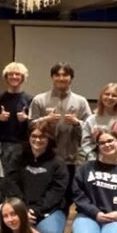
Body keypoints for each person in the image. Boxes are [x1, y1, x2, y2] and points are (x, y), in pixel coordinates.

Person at [6, 121, 68, 233]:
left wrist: (36, 210)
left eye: (42, 137)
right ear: (29, 138)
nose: (38, 140)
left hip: (49, 210)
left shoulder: (58, 163)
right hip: (21, 208)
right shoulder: (18, 158)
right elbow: (11, 183)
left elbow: (57, 191)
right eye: (34, 136)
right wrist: (23, 209)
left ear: (49, 139)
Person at [29, 62, 92, 210]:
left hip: (71, 158)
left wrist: (77, 123)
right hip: (46, 158)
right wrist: (45, 120)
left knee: (67, 197)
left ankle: (59, 225)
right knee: (45, 194)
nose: (61, 78)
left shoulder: (81, 101)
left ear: (71, 78)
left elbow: (91, 128)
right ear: (52, 77)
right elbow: (30, 126)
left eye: (65, 75)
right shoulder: (39, 99)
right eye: (57, 75)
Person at [0, 62, 33, 177]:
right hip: (0, 145)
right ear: (6, 77)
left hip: (20, 145)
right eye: (11, 74)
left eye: (17, 74)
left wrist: (26, 119)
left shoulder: (29, 99)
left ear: (23, 78)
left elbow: (34, 126)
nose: (14, 77)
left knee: (17, 178)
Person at [81, 83, 117, 161]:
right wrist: (96, 159)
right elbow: (86, 144)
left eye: (114, 95)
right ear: (101, 96)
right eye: (107, 94)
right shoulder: (91, 120)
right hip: (97, 162)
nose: (110, 97)